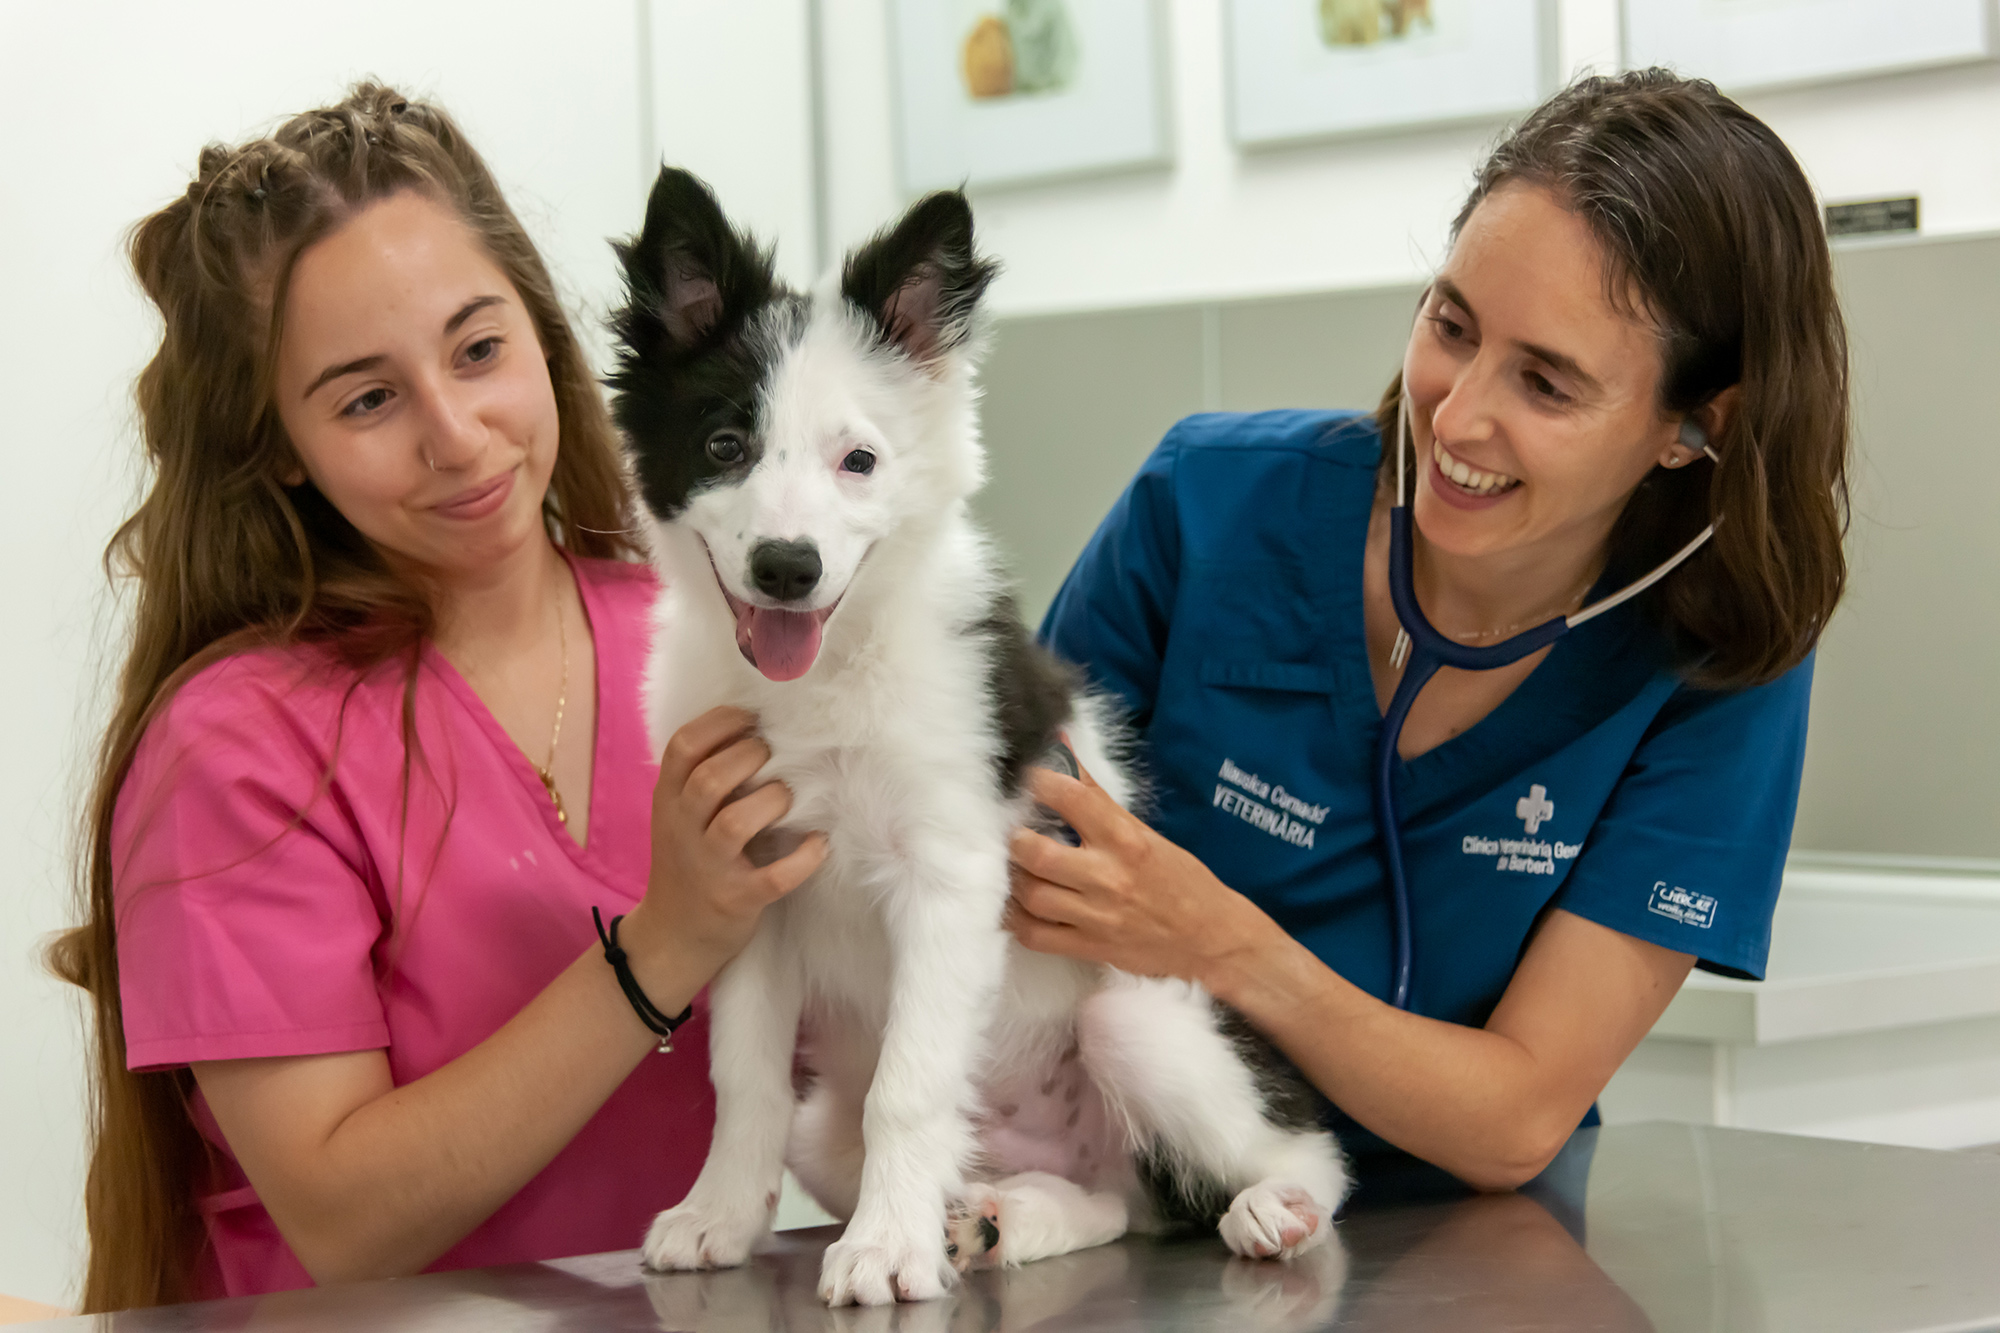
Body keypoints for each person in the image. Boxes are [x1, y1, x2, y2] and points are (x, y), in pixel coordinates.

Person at [46, 85, 825, 1311]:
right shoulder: (238, 743)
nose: (457, 436)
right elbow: (345, 1221)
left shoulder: (716, 635)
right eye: (367, 398)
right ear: (281, 446)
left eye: (478, 349)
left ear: (540, 331)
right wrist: (666, 945)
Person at [1009, 71, 1849, 1191]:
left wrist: (1220, 943)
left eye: (1544, 383)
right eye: (1450, 324)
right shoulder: (1205, 507)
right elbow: (1005, 865)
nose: (1454, 416)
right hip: (1120, 1181)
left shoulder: (1718, 656)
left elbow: (1515, 1116)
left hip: (1476, 1256)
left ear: (1693, 425)